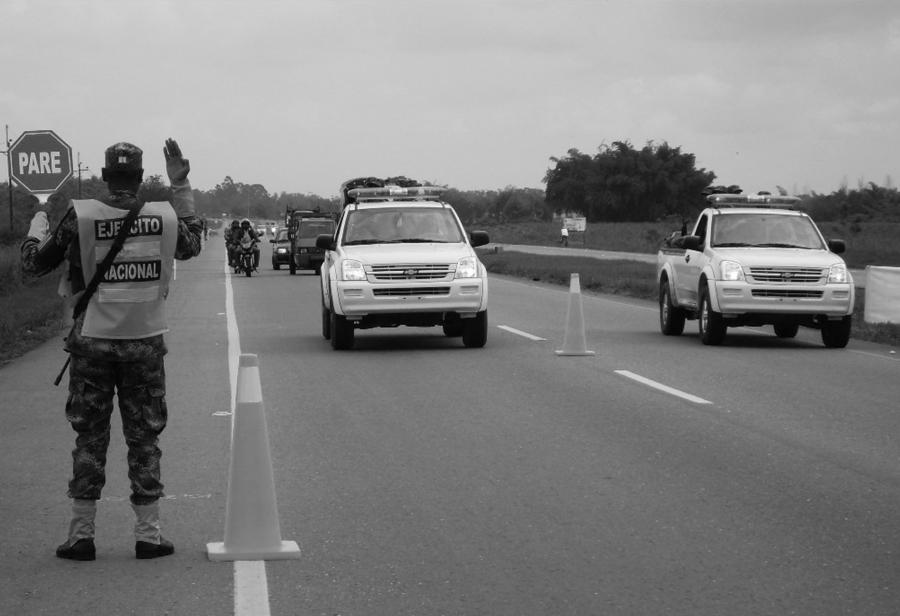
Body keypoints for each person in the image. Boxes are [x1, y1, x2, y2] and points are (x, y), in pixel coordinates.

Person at [20, 139, 202, 561]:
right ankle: (149, 536)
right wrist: (181, 185)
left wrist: (35, 229)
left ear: (104, 177)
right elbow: (192, 244)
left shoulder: (81, 216)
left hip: (92, 348)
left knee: (90, 438)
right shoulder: (163, 216)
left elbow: (34, 264)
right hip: (144, 347)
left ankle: (81, 535)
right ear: (140, 179)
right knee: (144, 440)